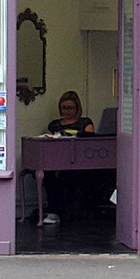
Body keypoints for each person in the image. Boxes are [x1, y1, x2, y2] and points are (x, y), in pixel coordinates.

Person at [39, 91, 103, 227]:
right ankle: (54, 212)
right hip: (58, 161)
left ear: (77, 108)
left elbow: (89, 143)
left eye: (70, 108)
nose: (67, 111)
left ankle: (78, 211)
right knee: (49, 175)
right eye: (64, 108)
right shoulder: (54, 125)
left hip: (81, 162)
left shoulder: (85, 123)